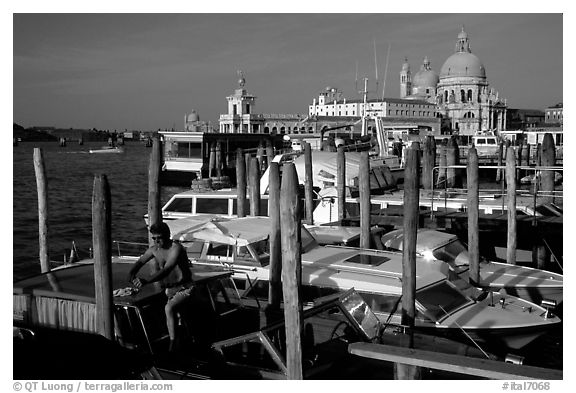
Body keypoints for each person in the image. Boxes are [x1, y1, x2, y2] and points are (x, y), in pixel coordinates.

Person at [128, 222, 193, 352]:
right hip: (169, 289)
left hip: (185, 287)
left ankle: (172, 344)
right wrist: (132, 273)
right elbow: (141, 261)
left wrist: (146, 281)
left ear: (167, 236)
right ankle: (180, 338)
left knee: (169, 308)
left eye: (160, 237)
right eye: (154, 238)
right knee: (170, 313)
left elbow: (167, 269)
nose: (157, 241)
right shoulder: (154, 250)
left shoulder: (176, 248)